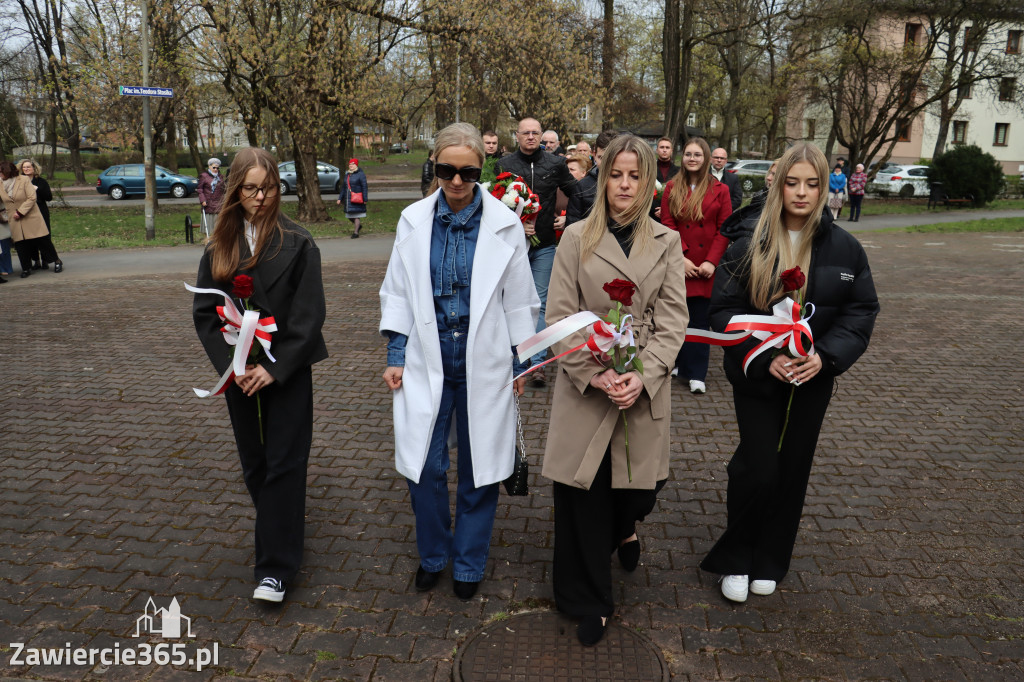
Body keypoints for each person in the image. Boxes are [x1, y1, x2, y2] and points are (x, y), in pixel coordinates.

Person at [700, 142, 879, 603]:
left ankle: (770, 559)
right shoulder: (750, 241)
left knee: (792, 468)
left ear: (825, 189)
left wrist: (825, 355)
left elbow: (860, 311)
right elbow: (723, 311)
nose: (801, 193)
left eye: (812, 184)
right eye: (792, 182)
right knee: (758, 466)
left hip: (812, 378)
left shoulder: (845, 248)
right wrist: (765, 357)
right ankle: (735, 557)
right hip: (759, 375)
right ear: (778, 185)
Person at [379, 122, 540, 601]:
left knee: (481, 467)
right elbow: (398, 290)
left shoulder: (504, 224)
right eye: (446, 169)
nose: (455, 181)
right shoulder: (412, 220)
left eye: (467, 172)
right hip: (427, 359)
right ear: (434, 165)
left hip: (484, 361)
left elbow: (520, 300)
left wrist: (521, 362)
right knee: (424, 468)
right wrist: (394, 351)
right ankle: (433, 554)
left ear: (480, 170)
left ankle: (468, 562)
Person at [543, 134, 688, 646]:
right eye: (615, 175)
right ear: (602, 177)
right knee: (583, 493)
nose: (623, 185)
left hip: (639, 382)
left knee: (639, 491)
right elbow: (559, 315)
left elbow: (673, 322)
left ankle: (625, 527)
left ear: (650, 182)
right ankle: (588, 599)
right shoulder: (576, 237)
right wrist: (595, 371)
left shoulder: (667, 242)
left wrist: (642, 374)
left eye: (635, 176)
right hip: (588, 380)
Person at [192, 147, 328, 604]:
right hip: (238, 370)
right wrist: (234, 365)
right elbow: (206, 314)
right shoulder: (219, 245)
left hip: (285, 370)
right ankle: (281, 529)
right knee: (255, 463)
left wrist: (274, 369)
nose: (261, 197)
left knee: (286, 462)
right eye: (250, 189)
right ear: (234, 189)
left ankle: (275, 569)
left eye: (269, 188)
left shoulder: (300, 241)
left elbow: (310, 317)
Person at [497, 117, 577, 386]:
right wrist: (517, 225)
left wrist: (568, 218)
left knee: (541, 302)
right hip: (511, 246)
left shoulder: (555, 164)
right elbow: (493, 203)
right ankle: (517, 358)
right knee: (513, 300)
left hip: (545, 245)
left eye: (535, 133)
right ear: (516, 136)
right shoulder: (504, 165)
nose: (531, 137)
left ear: (541, 136)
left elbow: (577, 193)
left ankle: (538, 361)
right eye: (525, 133)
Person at [660, 137, 732, 394]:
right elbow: (667, 224)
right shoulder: (671, 187)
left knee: (700, 320)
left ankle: (697, 373)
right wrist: (682, 257)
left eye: (698, 154)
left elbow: (725, 228)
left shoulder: (720, 190)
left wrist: (712, 261)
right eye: (688, 154)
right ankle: (678, 362)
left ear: (706, 158)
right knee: (678, 317)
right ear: (683, 157)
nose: (692, 158)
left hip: (706, 267)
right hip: (680, 261)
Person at [0, 160, 58, 278]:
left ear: (7, 171)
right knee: (21, 244)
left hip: (30, 215)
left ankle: (56, 261)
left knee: (42, 240)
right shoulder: (0, 183)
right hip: (14, 219)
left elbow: (32, 197)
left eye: (1, 172)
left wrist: (21, 212)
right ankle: (26, 268)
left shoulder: (23, 180)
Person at [564, 129, 619, 227]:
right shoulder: (582, 186)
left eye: (611, 158)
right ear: (594, 155)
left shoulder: (630, 184)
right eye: (602, 158)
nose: (606, 164)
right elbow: (572, 224)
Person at [18, 158, 62, 273]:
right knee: (30, 238)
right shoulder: (20, 181)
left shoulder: (41, 181)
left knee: (44, 237)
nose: (26, 169)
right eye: (24, 167)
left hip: (40, 212)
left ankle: (52, 260)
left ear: (34, 168)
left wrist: (37, 190)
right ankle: (36, 261)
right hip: (26, 213)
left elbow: (48, 197)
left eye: (28, 167)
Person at [338, 158, 368, 237]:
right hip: (348, 199)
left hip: (357, 198)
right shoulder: (347, 174)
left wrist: (365, 199)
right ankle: (358, 226)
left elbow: (364, 187)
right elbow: (344, 188)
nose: (351, 166)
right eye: (350, 164)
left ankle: (356, 233)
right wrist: (340, 198)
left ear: (356, 165)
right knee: (349, 215)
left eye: (353, 164)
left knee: (356, 215)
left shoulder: (361, 174)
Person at [197, 157, 226, 237]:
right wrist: (202, 200)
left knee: (219, 222)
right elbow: (200, 189)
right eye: (214, 167)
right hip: (208, 202)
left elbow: (224, 189)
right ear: (209, 166)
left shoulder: (220, 177)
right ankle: (208, 239)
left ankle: (218, 238)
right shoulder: (204, 176)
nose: (216, 169)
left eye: (217, 168)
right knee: (209, 222)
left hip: (219, 202)